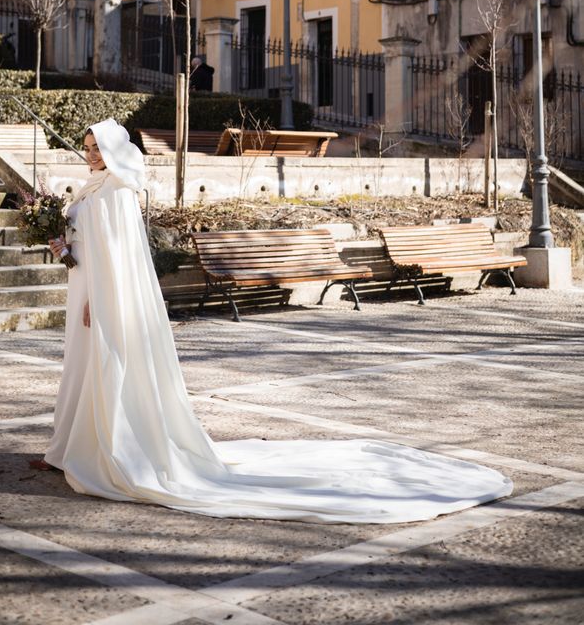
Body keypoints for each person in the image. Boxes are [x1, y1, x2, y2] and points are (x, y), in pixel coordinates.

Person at [31, 117, 512, 523]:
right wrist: (65, 249)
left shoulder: (115, 191)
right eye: (88, 148)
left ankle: (105, 448)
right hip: (86, 290)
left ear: (114, 150)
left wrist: (98, 295)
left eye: (98, 148)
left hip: (103, 296)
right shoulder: (96, 187)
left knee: (104, 365)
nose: (91, 155)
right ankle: (73, 444)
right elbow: (93, 246)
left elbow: (117, 259)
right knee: (81, 364)